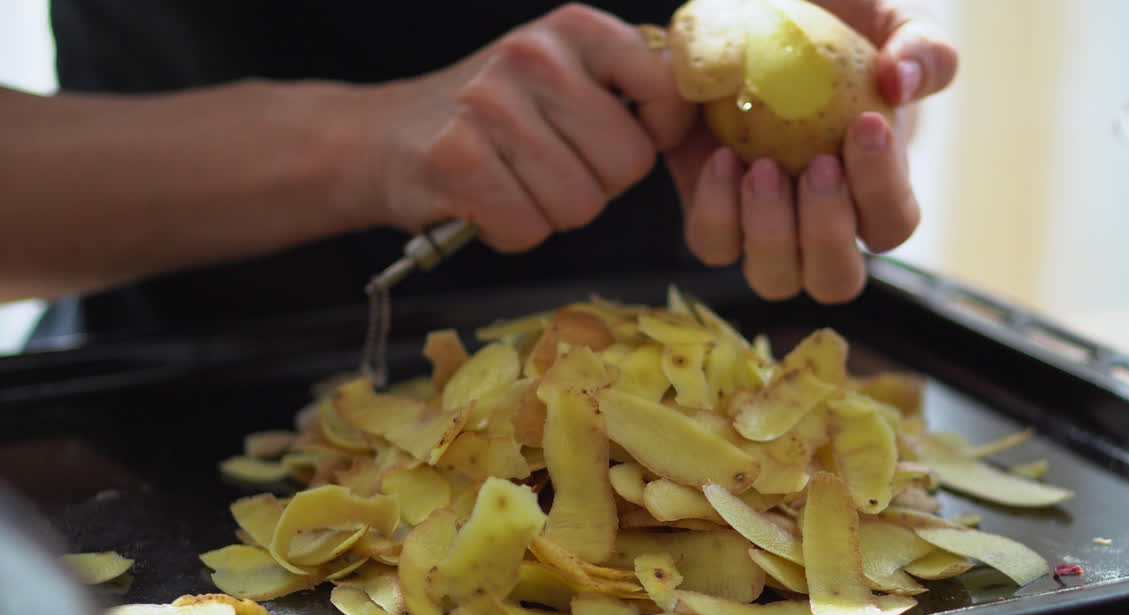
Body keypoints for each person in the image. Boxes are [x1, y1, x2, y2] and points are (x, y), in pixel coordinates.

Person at [1, 0, 957, 338]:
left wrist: (841, 79)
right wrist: (363, 143)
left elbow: (850, 78)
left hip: (720, 429)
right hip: (179, 408)